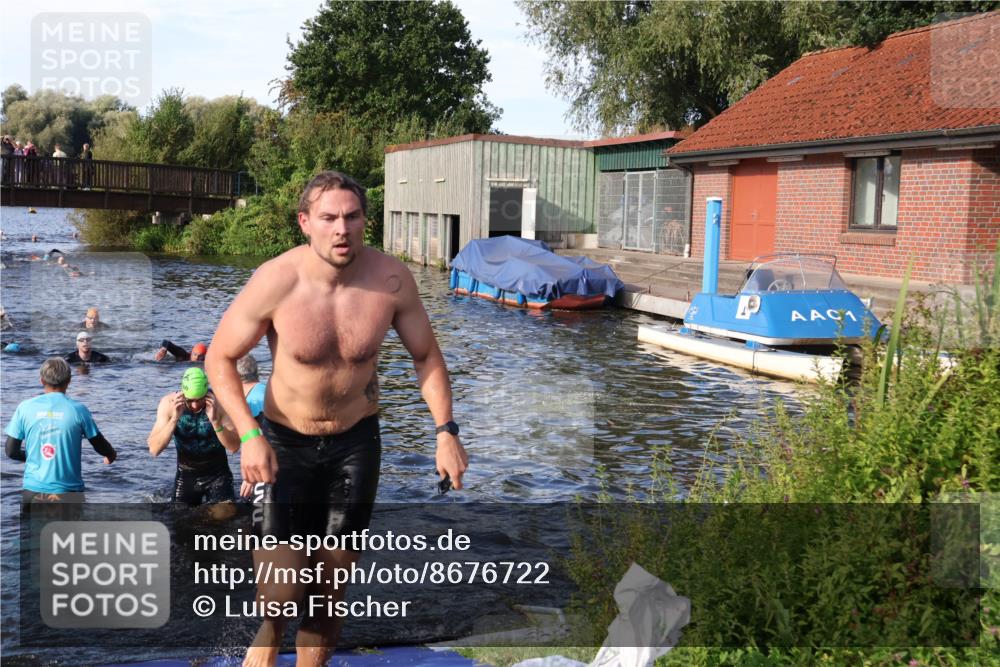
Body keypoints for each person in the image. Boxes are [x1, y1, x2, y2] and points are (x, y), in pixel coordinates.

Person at [205, 170, 468, 667]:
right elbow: (218, 358)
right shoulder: (276, 280)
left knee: (328, 591)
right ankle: (269, 632)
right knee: (280, 597)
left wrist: (445, 431)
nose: (341, 229)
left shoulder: (390, 281)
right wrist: (250, 433)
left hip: (355, 444)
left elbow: (427, 356)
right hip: (283, 444)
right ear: (306, 222)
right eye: (328, 218)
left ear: (365, 221)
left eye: (351, 217)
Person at [5, 357, 117, 502]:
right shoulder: (78, 410)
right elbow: (99, 444)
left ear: (41, 380)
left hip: (33, 491)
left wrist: (37, 457)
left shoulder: (24, 408)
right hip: (69, 492)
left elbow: (11, 451)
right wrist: (111, 454)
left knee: (33, 525)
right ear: (69, 381)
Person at [146, 367, 240, 505]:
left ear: (206, 393)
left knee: (223, 517)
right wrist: (174, 419)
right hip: (186, 473)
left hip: (218, 474)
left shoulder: (220, 403)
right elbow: (154, 449)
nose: (195, 405)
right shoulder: (168, 404)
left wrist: (215, 421)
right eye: (189, 400)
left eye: (200, 400)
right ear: (183, 393)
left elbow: (234, 446)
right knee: (180, 519)